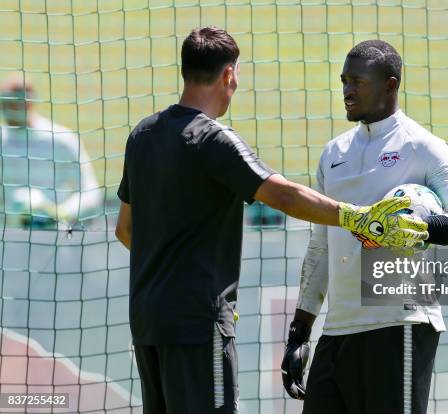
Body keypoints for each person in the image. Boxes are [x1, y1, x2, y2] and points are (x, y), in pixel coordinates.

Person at [114, 27, 429, 414]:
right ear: (229, 75)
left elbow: (125, 230)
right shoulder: (214, 140)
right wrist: (359, 218)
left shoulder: (142, 135)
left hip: (147, 321)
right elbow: (283, 195)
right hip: (197, 322)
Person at [281, 40, 448, 414]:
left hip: (401, 325)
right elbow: (321, 247)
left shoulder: (424, 147)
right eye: (344, 81)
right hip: (338, 333)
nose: (346, 91)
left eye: (357, 81)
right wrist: (300, 330)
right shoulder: (333, 154)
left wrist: (424, 226)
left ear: (390, 85)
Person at [0, 76, 102, 229]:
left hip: (53, 238)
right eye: (4, 104)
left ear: (29, 103)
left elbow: (91, 193)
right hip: (7, 240)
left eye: (13, 103)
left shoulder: (60, 139)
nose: (7, 109)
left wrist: (59, 212)